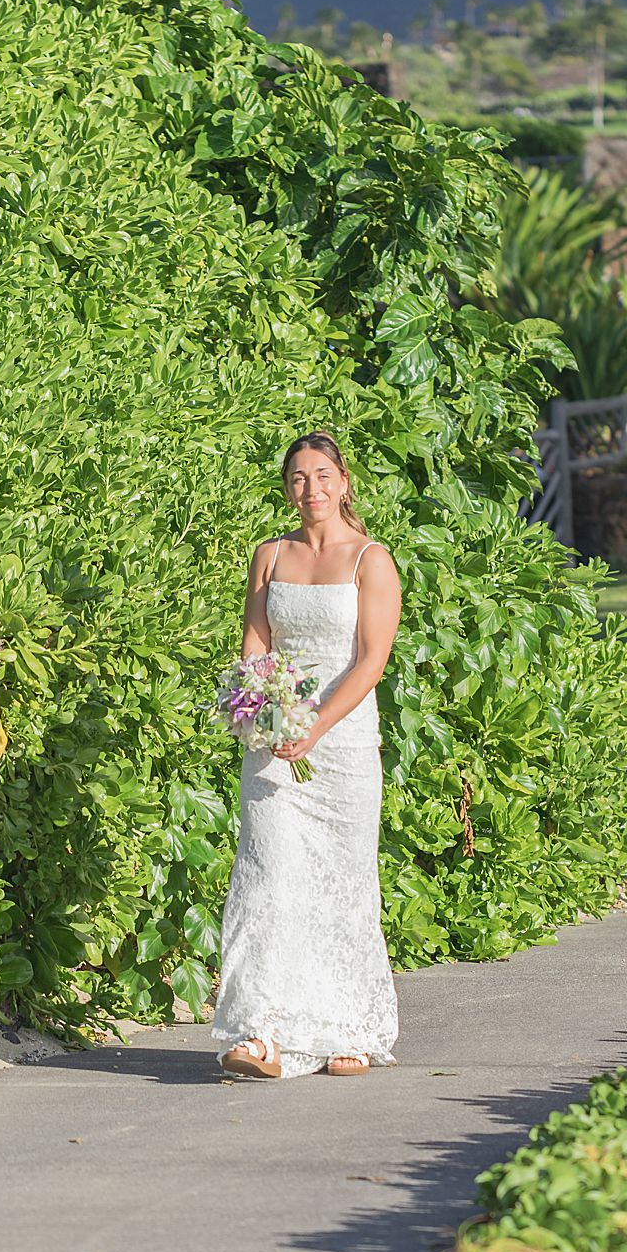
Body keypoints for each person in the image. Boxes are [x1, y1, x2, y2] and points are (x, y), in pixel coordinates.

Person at [212, 431, 403, 1080]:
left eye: (322, 475)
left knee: (342, 884)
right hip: (271, 739)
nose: (311, 489)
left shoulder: (370, 560)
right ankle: (257, 1032)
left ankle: (347, 1028)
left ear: (343, 482)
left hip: (341, 740)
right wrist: (260, 709)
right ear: (288, 487)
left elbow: (371, 659)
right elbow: (256, 643)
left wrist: (315, 726)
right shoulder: (271, 554)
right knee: (267, 876)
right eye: (298, 477)